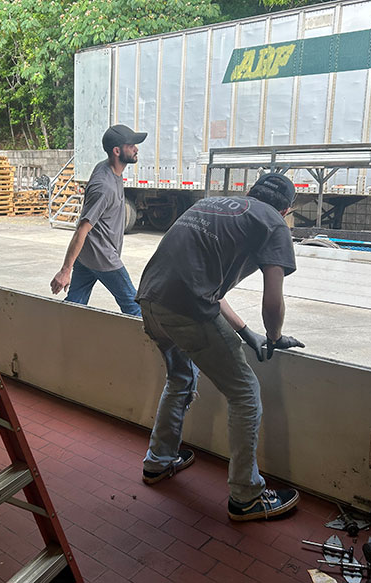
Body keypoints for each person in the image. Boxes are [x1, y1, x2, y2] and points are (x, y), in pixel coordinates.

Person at [136, 172, 305, 521]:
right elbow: (272, 301)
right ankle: (246, 496)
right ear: (288, 208)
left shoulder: (211, 204)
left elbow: (209, 289)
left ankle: (158, 462)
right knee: (244, 393)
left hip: (150, 301)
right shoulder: (274, 223)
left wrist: (246, 333)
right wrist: (273, 337)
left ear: (250, 192)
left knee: (180, 378)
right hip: (186, 310)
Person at [50, 124, 145, 316]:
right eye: (131, 145)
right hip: (104, 257)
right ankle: (151, 346)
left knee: (75, 306)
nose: (136, 149)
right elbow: (82, 228)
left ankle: (59, 339)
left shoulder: (108, 169)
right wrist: (65, 270)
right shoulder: (104, 186)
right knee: (133, 306)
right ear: (117, 151)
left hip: (87, 257)